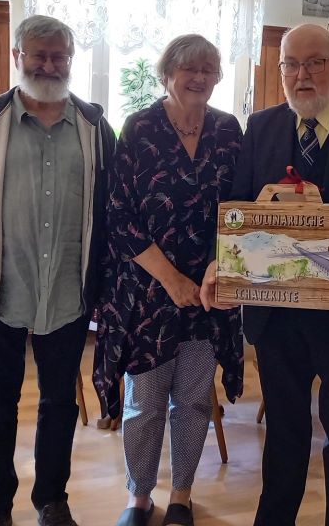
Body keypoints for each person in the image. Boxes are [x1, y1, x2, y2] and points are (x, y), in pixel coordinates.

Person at [202, 23, 329, 526]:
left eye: (315, 63)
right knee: (285, 433)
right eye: (291, 65)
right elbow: (241, 209)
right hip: (277, 316)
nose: (302, 75)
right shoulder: (263, 125)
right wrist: (224, 263)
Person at [0, 15, 116, 526]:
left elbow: (113, 214)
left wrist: (107, 292)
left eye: (59, 56)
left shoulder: (96, 128)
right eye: (39, 55)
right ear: (18, 57)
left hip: (69, 296)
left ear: (71, 60)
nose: (49, 65)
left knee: (59, 404)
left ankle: (52, 500)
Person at [95, 35, 243, 526]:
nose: (198, 78)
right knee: (145, 404)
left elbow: (239, 212)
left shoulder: (228, 130)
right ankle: (139, 496)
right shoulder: (139, 128)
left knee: (196, 399)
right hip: (146, 292)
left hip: (211, 291)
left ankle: (181, 494)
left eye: (208, 69)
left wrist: (214, 272)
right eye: (188, 68)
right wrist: (173, 280)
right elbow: (120, 214)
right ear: (166, 73)